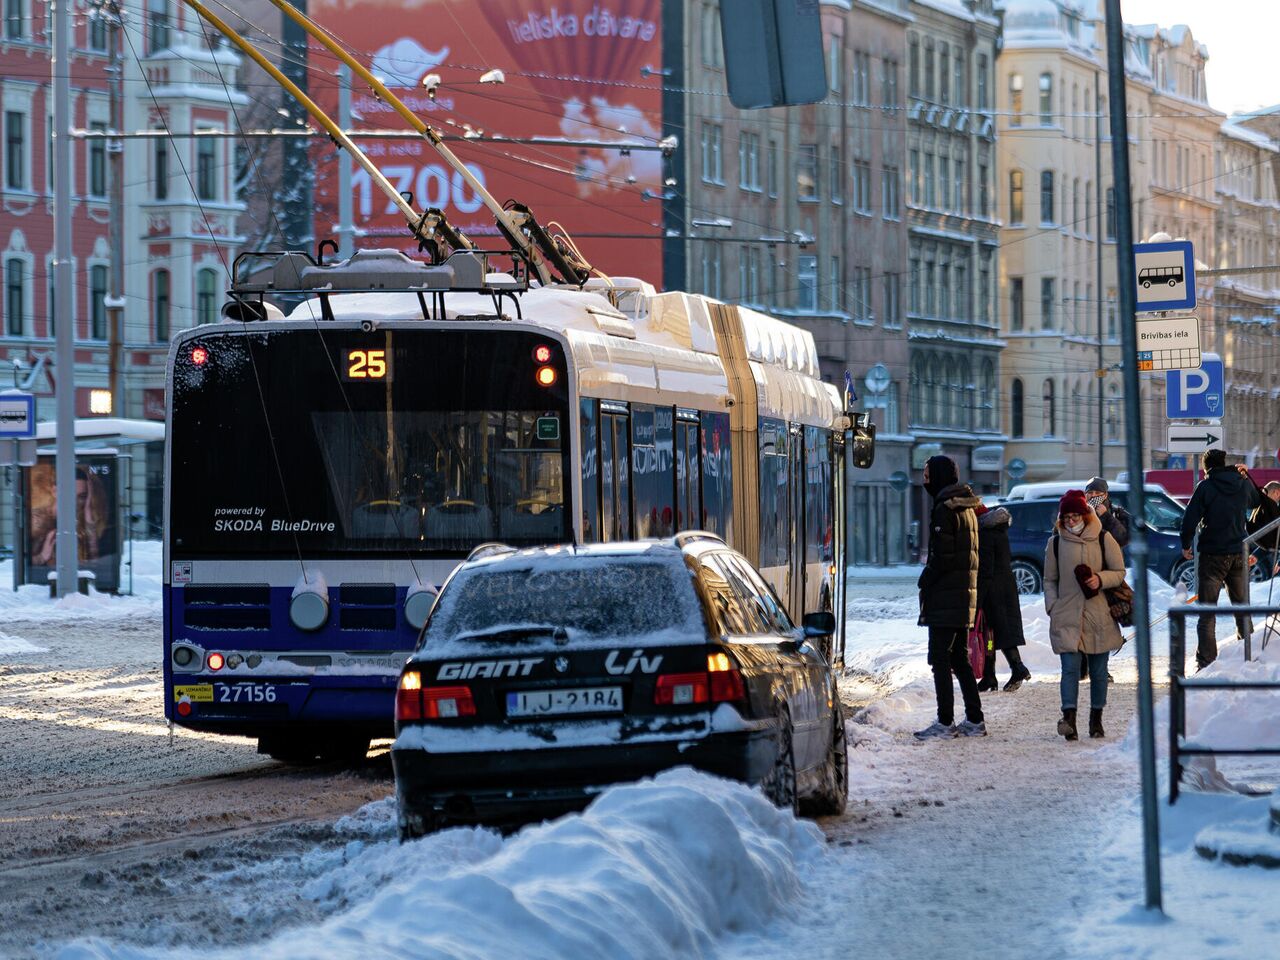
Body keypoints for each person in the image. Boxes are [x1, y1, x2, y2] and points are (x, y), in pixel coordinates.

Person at [914, 455, 986, 740]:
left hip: (947, 596)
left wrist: (925, 579)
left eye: (928, 475)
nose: (925, 480)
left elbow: (943, 557)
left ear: (941, 476)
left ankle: (945, 722)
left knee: (940, 659)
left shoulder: (945, 508)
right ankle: (975, 719)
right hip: (962, 594)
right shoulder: (964, 506)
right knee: (958, 659)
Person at [1044, 490, 1126, 740]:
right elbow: (1049, 579)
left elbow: (1119, 572)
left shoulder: (1104, 538)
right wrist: (1052, 607)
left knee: (1099, 671)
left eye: (1075, 515)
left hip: (1099, 614)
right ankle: (1069, 718)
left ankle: (1096, 719)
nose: (1070, 520)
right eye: (1065, 516)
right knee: (1069, 668)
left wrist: (1099, 579)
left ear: (1085, 515)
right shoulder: (1056, 543)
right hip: (1066, 615)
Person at [1179, 450, 1262, 670]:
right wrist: (1246, 477)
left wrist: (1186, 544)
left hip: (1212, 555)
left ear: (1207, 468)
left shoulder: (1205, 487)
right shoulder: (1241, 483)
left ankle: (1206, 662)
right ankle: (1248, 655)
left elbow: (1190, 519)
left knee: (1207, 612)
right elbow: (1255, 502)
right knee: (1242, 607)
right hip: (1238, 552)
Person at [974, 503, 1032, 693]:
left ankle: (1017, 667)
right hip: (1004, 588)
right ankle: (990, 674)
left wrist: (978, 598)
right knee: (991, 635)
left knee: (996, 632)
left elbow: (985, 570)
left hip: (993, 592)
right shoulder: (997, 531)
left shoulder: (985, 535)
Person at [1080, 477, 1129, 682]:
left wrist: (1106, 517)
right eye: (1089, 493)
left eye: (1097, 493)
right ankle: (1083, 666)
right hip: (1085, 572)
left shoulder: (1117, 513)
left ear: (1105, 495)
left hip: (1108, 574)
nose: (1092, 497)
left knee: (1106, 622)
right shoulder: (1079, 512)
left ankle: (1101, 668)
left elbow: (1124, 538)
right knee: (1083, 620)